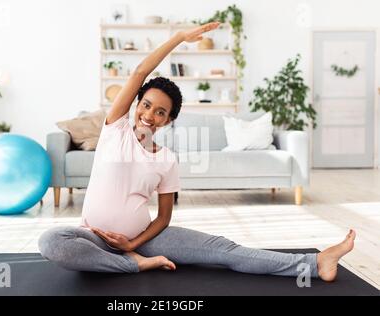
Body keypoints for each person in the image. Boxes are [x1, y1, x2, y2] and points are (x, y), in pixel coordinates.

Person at [39, 22, 355, 282]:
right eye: (146, 105)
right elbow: (138, 73)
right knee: (51, 242)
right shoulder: (114, 129)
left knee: (223, 250)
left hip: (147, 239)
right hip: (94, 237)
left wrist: (134, 244)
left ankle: (315, 263)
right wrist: (178, 38)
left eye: (160, 112)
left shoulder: (166, 159)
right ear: (137, 105)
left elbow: (163, 217)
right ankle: (134, 264)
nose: (149, 115)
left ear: (169, 120)